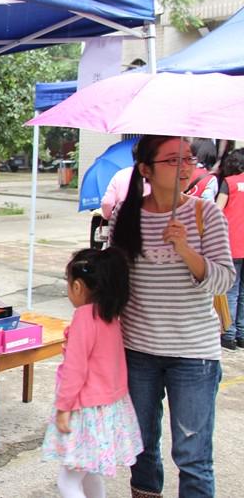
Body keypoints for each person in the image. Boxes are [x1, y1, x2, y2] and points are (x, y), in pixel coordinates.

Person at [109, 135, 235, 498]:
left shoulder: (204, 213)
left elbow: (223, 279)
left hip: (194, 354)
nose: (185, 167)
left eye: (189, 159)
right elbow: (116, 278)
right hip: (138, 349)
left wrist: (185, 249)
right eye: (172, 160)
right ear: (146, 170)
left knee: (192, 454)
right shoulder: (126, 214)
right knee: (142, 447)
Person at [42, 247, 142, 498]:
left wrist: (64, 408)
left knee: (68, 481)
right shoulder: (110, 315)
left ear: (77, 287)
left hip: (84, 410)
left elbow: (75, 370)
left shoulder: (84, 318)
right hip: (108, 407)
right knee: (89, 471)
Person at [216, 148, 244, 350]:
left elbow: (216, 211)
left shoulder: (230, 183)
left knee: (231, 290)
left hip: (233, 243)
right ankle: (242, 334)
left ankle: (229, 334)